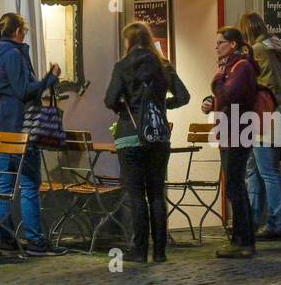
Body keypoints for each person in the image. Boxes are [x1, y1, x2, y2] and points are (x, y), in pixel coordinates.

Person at [0, 12, 65, 256]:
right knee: (29, 184)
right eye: (24, 31)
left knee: (4, 186)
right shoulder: (13, 54)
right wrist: (50, 78)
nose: (24, 35)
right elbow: (24, 91)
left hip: (0, 132)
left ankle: (5, 239)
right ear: (17, 31)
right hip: (19, 130)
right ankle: (36, 241)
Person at [105, 21, 190, 263]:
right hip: (158, 136)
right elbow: (184, 96)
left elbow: (110, 99)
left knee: (135, 194)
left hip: (130, 136)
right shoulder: (163, 66)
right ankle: (160, 252)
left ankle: (139, 250)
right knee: (156, 192)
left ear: (129, 42)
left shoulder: (122, 66)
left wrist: (126, 108)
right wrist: (162, 107)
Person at [201, 27, 258, 258]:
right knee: (234, 187)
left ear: (233, 44)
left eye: (220, 42)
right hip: (228, 132)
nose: (216, 47)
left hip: (238, 132)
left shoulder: (241, 67)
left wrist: (217, 82)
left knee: (235, 187)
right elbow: (222, 96)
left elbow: (229, 94)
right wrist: (209, 102)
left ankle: (243, 241)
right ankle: (241, 239)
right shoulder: (229, 68)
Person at [238, 12, 281, 241]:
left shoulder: (257, 50)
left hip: (262, 115)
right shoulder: (276, 45)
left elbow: (254, 82)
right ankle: (256, 221)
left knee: (265, 173)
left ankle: (274, 224)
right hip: (278, 111)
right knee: (260, 172)